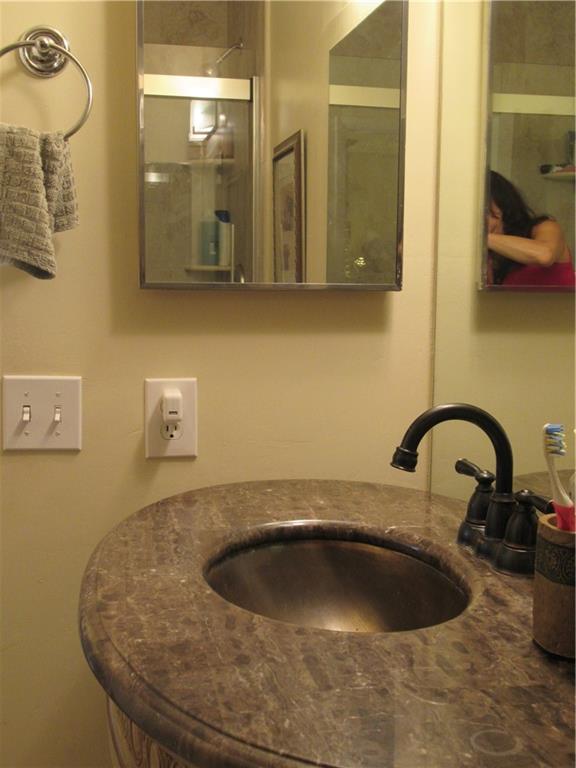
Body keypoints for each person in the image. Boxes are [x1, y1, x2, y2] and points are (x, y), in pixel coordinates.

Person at [486, 170, 575, 287]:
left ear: (502, 207)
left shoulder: (544, 226)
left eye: (487, 210)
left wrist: (483, 238)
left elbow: (544, 255)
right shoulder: (488, 254)